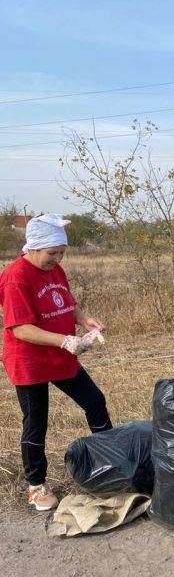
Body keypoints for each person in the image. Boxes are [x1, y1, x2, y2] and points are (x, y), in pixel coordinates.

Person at [0, 214, 112, 512]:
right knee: (36, 422)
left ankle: (112, 460)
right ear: (33, 248)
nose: (57, 259)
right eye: (52, 253)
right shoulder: (16, 277)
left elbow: (68, 302)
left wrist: (84, 320)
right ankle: (36, 486)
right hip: (30, 361)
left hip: (61, 356)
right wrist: (64, 340)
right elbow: (19, 328)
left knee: (95, 401)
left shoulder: (55, 270)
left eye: (61, 252)